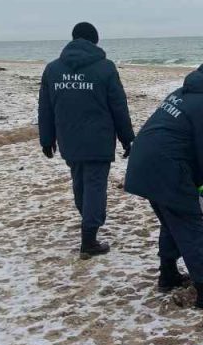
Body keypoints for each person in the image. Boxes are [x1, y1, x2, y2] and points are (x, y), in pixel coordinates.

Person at [124, 53, 203, 311]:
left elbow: (189, 142)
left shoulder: (185, 91)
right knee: (192, 228)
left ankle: (167, 275)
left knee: (172, 221)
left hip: (144, 165)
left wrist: (198, 182)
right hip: (166, 169)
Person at [38, 22, 135, 258]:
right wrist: (127, 138)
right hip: (98, 139)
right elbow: (118, 106)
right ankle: (89, 238)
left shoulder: (53, 69)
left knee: (80, 182)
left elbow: (45, 109)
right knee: (93, 185)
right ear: (95, 42)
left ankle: (88, 224)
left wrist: (47, 138)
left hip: (69, 139)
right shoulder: (105, 68)